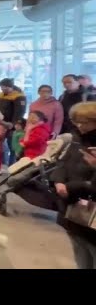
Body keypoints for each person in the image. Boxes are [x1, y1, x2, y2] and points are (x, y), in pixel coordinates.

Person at [50, 102, 96, 269]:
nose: (80, 125)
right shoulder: (75, 137)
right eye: (77, 121)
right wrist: (59, 181)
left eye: (85, 122)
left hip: (90, 204)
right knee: (79, 247)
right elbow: (63, 162)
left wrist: (74, 186)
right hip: (72, 202)